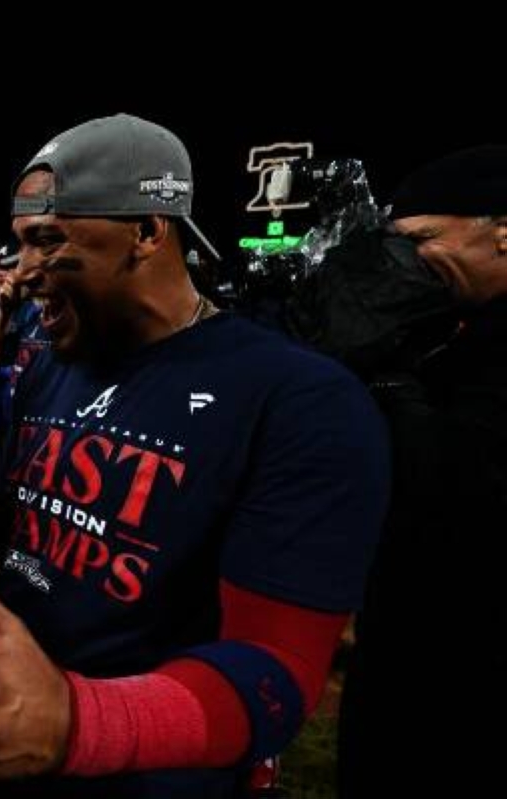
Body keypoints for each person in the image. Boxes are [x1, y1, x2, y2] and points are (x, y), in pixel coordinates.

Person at [0, 113, 391, 798]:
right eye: (20, 243)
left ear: (148, 231)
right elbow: (37, 515)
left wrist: (78, 721)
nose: (23, 272)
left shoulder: (299, 398)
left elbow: (276, 672)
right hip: (14, 739)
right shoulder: (52, 359)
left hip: (149, 773)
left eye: (47, 240)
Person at [336, 146, 507, 797]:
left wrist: (384, 369)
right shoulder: (452, 330)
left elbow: (460, 499)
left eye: (422, 241)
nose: (401, 265)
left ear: (503, 233)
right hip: (410, 646)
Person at [0, 249, 46, 489]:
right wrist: (5, 310)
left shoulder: (37, 309)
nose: (3, 275)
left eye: (10, 267)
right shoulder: (14, 307)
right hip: (2, 409)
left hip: (32, 417)